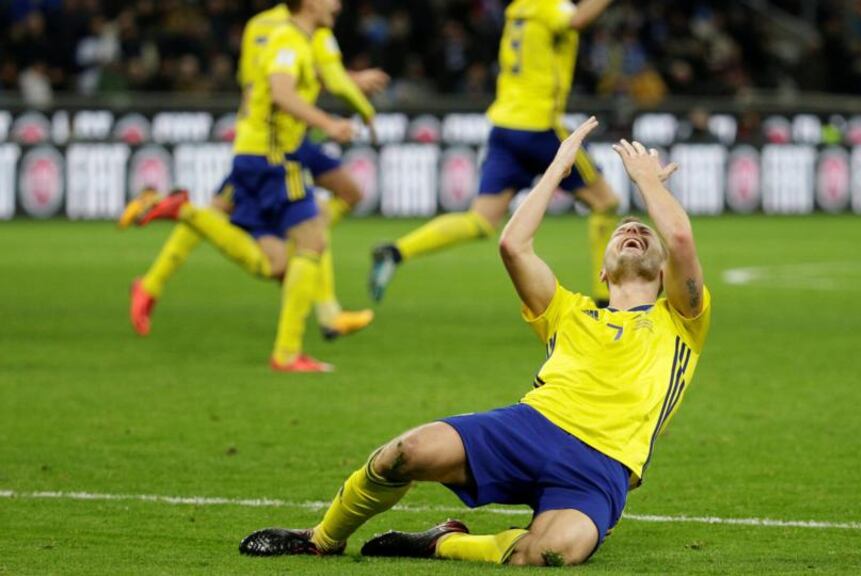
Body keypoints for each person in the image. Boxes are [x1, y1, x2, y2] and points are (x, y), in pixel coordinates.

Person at [238, 117, 712, 565]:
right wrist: (556, 170)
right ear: (602, 273)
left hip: (601, 466)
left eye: (643, 232)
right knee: (401, 454)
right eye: (622, 231)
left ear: (665, 272)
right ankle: (321, 539)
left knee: (550, 554)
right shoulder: (567, 309)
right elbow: (513, 246)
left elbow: (680, 239)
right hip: (532, 427)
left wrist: (648, 182)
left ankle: (442, 543)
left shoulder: (681, 318)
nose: (633, 229)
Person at [122, 1, 390, 341]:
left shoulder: (318, 26)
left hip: (295, 135)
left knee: (344, 196)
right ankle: (152, 282)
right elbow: (262, 86)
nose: (337, 3)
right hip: (267, 142)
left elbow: (328, 76)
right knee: (227, 213)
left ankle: (323, 303)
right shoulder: (268, 28)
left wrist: (358, 97)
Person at [368, 0, 620, 305]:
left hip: (504, 127)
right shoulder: (550, 6)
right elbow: (577, 20)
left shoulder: (519, 8)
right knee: (605, 202)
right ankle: (607, 302)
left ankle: (396, 251)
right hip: (540, 126)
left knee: (481, 219)